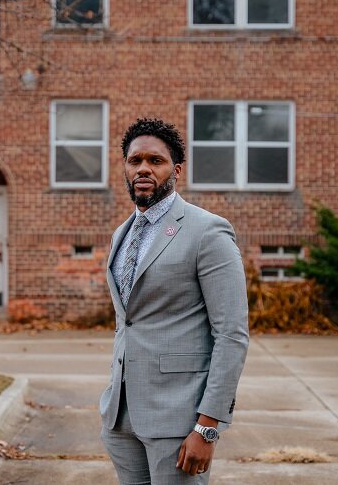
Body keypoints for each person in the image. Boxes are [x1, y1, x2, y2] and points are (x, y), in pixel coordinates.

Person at [99, 118, 249, 484]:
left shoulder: (207, 231)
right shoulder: (123, 233)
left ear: (176, 169)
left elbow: (231, 334)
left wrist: (208, 426)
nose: (144, 169)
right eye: (135, 161)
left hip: (179, 418)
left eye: (155, 160)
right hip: (121, 417)